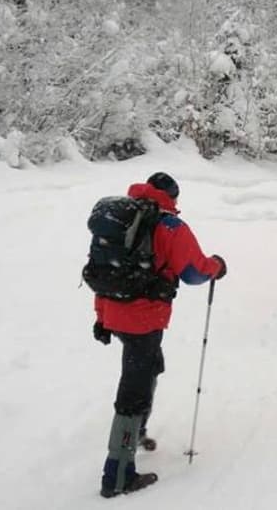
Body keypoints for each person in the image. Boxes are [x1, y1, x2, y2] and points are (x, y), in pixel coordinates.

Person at [92, 172, 227, 498]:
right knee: (133, 390)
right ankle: (118, 474)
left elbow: (103, 269)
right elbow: (194, 272)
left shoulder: (119, 220)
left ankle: (135, 432)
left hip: (113, 312)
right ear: (171, 196)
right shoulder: (168, 226)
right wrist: (217, 267)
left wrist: (101, 317)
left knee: (150, 366)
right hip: (144, 318)